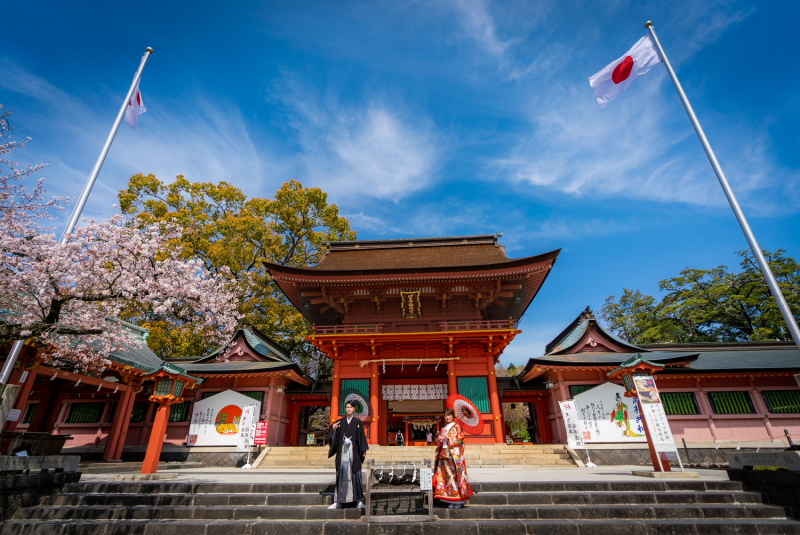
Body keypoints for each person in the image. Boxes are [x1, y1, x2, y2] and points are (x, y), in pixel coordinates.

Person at [327, 400, 369, 509]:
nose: (348, 409)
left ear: (355, 409)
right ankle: (338, 501)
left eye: (350, 407)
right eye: (347, 407)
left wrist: (363, 450)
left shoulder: (358, 422)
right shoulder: (340, 422)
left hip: (353, 452)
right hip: (343, 452)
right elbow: (333, 437)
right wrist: (334, 429)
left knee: (355, 474)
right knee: (342, 474)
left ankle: (358, 500)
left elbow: (361, 437)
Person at [432, 408, 474, 508]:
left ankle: (458, 500)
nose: (447, 417)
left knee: (455, 476)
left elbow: (460, 440)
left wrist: (449, 438)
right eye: (446, 415)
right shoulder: (444, 428)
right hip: (444, 454)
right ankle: (449, 498)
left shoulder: (457, 427)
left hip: (453, 456)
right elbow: (438, 441)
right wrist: (440, 438)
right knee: (446, 477)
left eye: (449, 415)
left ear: (453, 416)